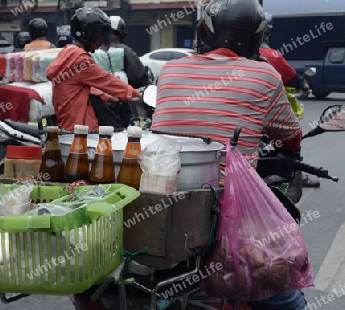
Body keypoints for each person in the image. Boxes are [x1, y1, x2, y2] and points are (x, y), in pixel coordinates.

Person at [150, 0, 307, 309]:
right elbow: (291, 136)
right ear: (257, 38)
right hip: (225, 211)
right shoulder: (265, 75)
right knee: (284, 294)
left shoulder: (170, 69)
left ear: (206, 32)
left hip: (160, 199)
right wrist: (289, 152)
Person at [45, 7, 143, 131]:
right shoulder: (79, 59)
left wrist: (107, 97)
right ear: (87, 34)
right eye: (98, 34)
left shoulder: (67, 52)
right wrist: (137, 94)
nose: (100, 39)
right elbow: (106, 80)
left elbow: (80, 87)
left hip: (69, 125)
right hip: (81, 130)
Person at [259, 12, 319, 188]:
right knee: (293, 135)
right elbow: (293, 77)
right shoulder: (270, 55)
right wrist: (303, 84)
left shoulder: (226, 59)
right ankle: (298, 177)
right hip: (269, 112)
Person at [109, 15, 152, 126]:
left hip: (96, 106)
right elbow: (139, 77)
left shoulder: (94, 49)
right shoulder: (125, 51)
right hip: (121, 105)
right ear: (121, 34)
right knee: (131, 132)